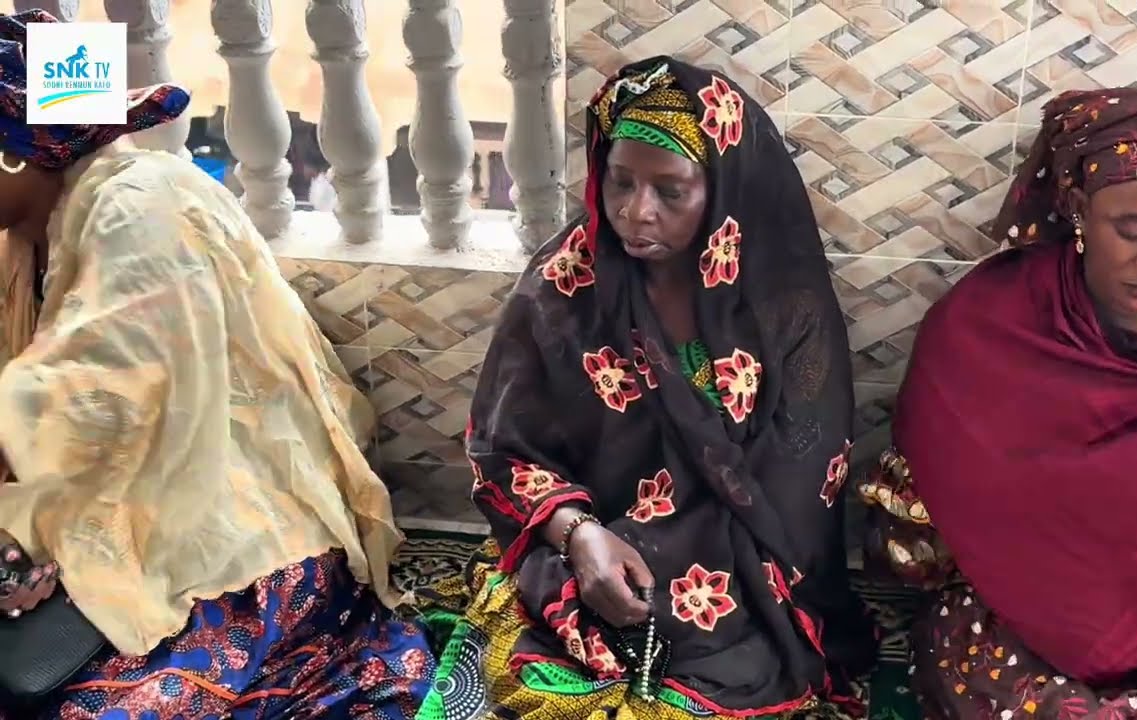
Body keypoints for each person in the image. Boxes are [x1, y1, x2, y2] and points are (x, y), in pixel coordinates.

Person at [0, 10, 432, 718]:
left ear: (14, 152)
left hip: (238, 531)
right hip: (101, 518)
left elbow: (95, 400)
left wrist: (25, 530)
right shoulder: (28, 233)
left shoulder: (141, 203)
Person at [416, 56, 875, 719]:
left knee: (727, 658)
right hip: (596, 529)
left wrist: (676, 562)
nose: (636, 212)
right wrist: (579, 537)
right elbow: (504, 449)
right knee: (550, 660)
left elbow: (801, 479)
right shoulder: (564, 286)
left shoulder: (781, 303)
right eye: (620, 181)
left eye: (671, 191)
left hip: (740, 563)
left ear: (722, 190)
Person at [858, 87, 1137, 718]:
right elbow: (924, 519)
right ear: (1079, 207)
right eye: (1129, 230)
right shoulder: (989, 323)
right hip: (1012, 614)